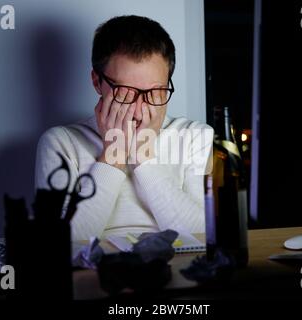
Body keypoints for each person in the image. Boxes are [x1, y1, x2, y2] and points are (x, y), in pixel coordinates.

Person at [35, 15, 213, 240]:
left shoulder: (195, 137)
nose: (140, 111)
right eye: (125, 94)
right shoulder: (60, 143)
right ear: (97, 82)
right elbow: (58, 244)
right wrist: (113, 155)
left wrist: (143, 157)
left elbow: (204, 235)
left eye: (155, 93)